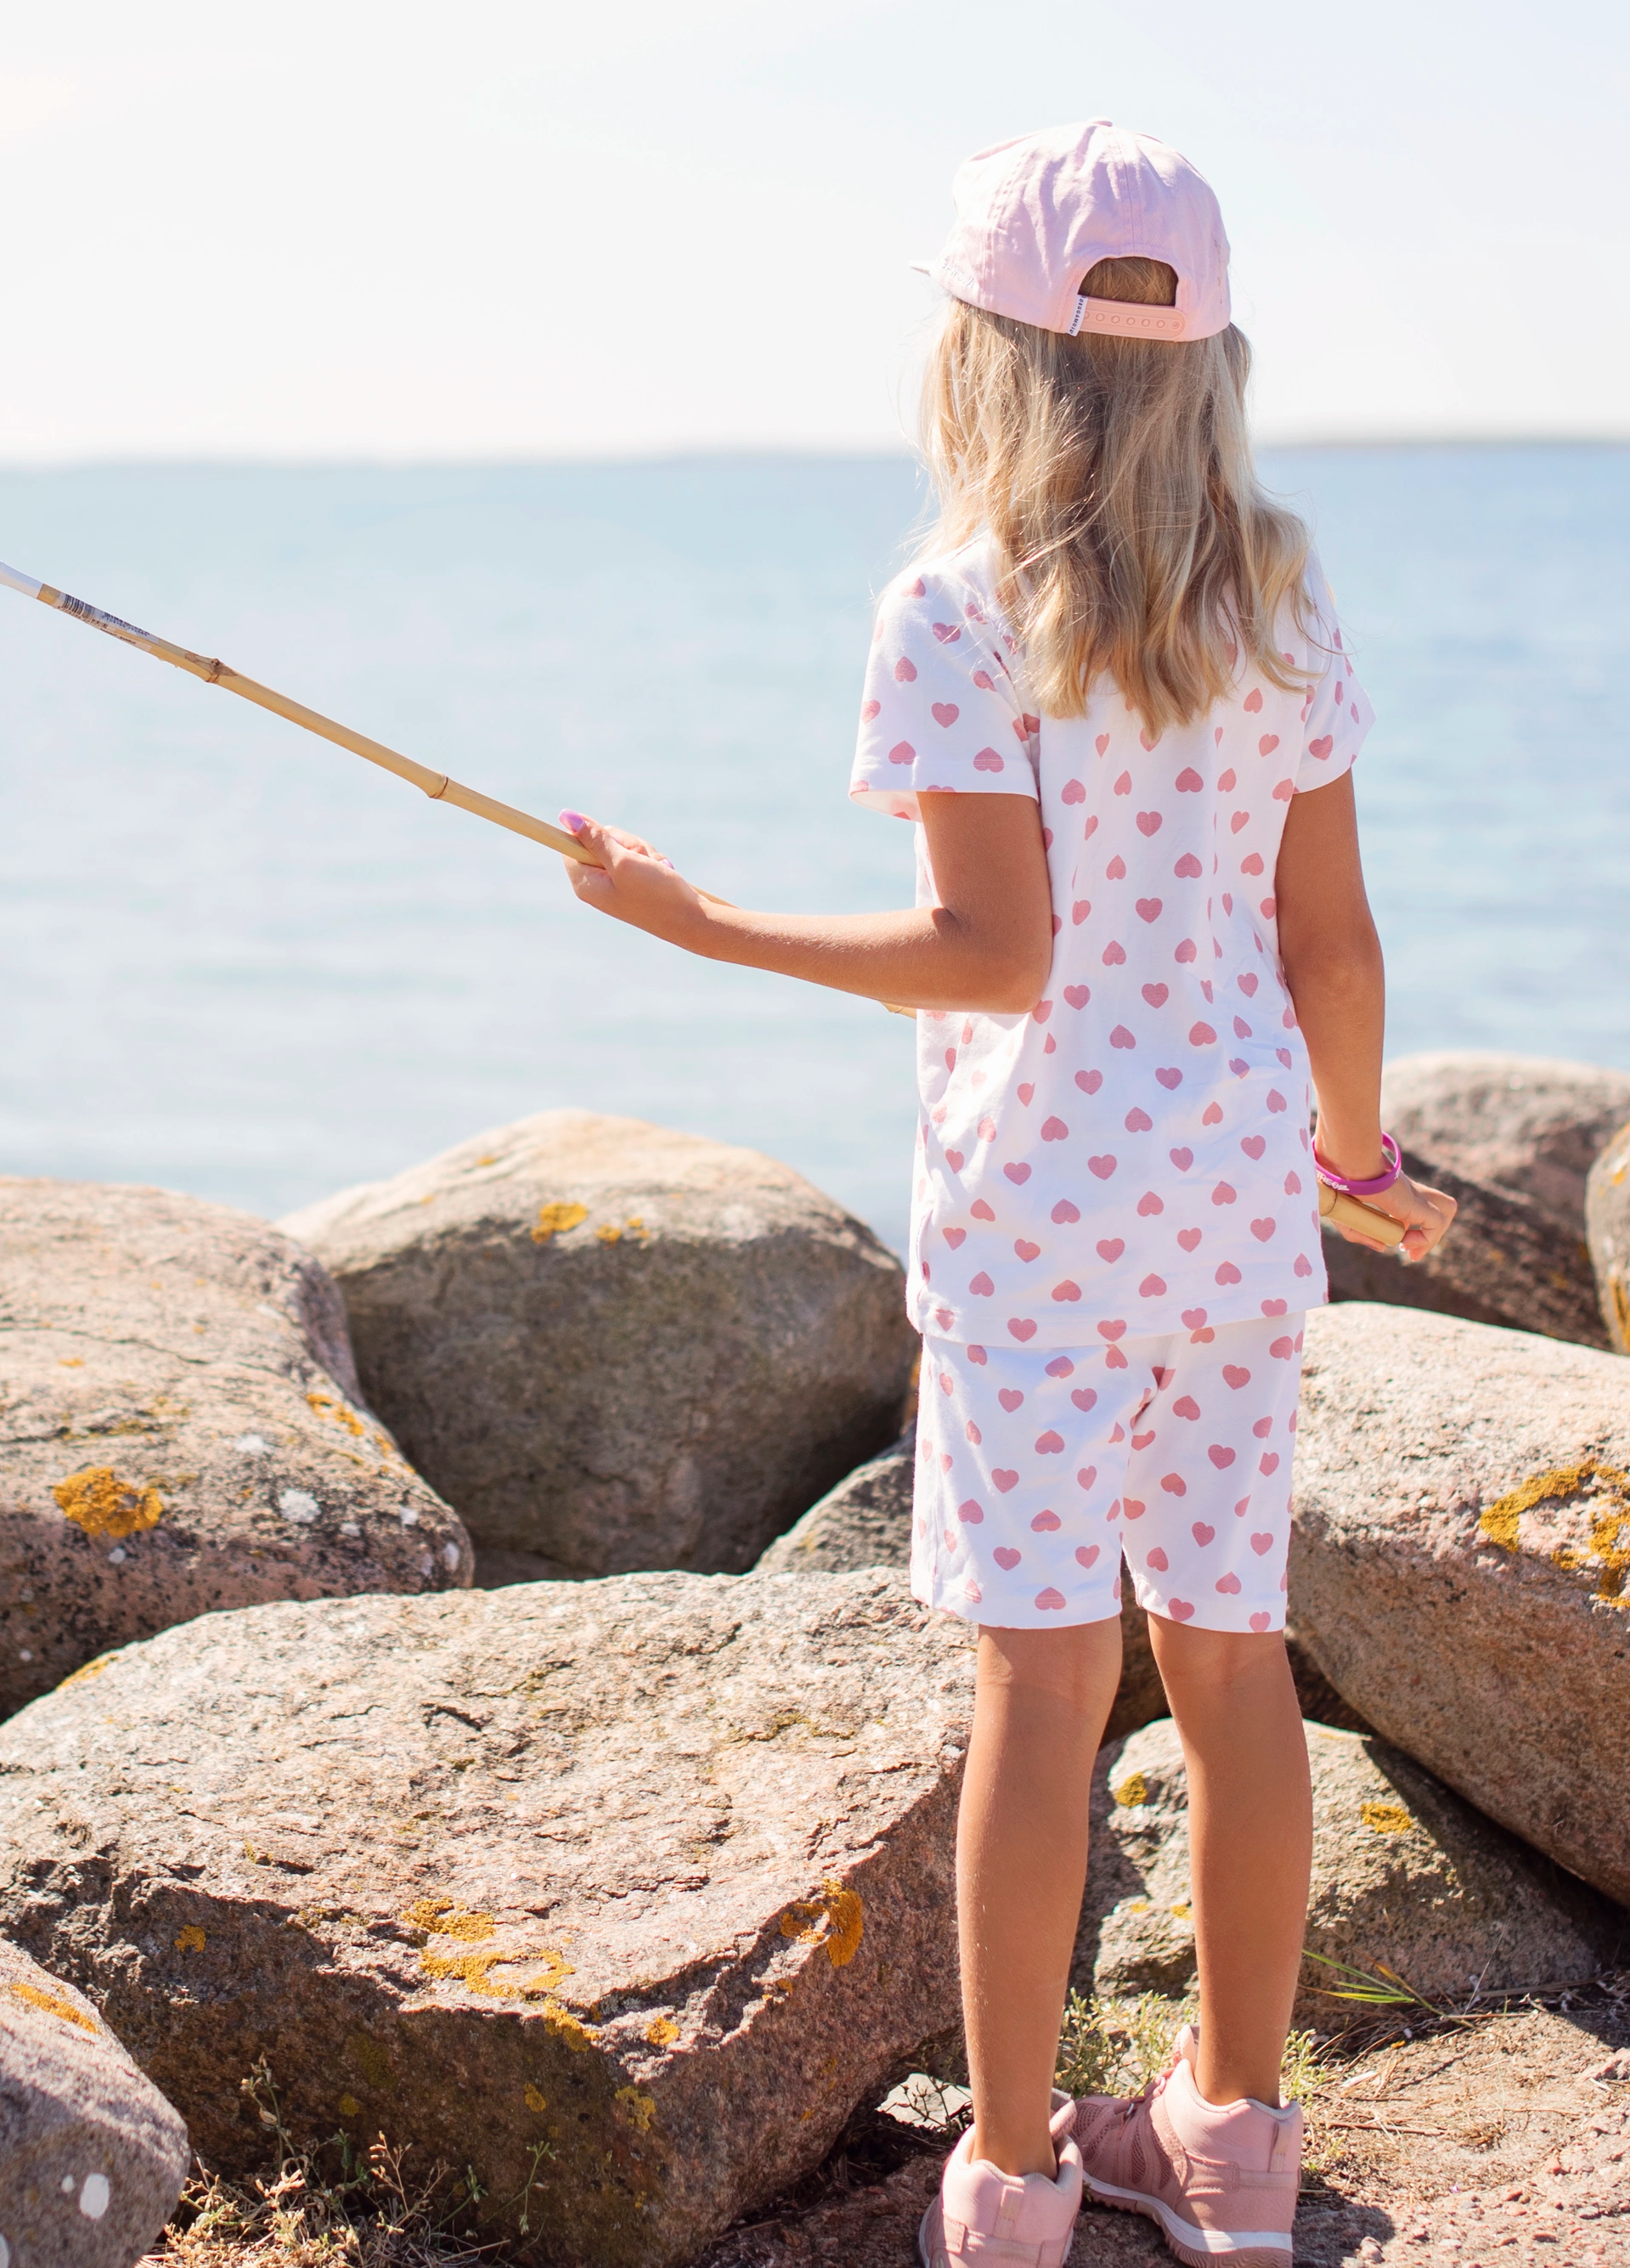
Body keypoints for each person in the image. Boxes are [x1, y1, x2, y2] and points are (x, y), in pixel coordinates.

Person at [554, 119, 1455, 2268]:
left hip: (1041, 1228)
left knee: (1041, 1700)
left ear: (980, 353)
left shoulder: (957, 606)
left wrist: (714, 930)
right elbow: (1335, 943)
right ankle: (1233, 2142)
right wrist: (1357, 1154)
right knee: (1234, 1674)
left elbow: (993, 955)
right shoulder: (1286, 593)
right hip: (1237, 1215)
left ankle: (1019, 2178)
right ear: (1211, 359)